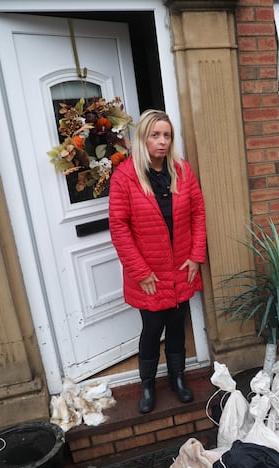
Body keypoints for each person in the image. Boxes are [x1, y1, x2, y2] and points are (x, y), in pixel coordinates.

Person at [109, 109, 206, 413]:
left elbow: (198, 214)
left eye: (167, 135)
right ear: (143, 138)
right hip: (148, 273)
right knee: (152, 330)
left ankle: (178, 380)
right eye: (155, 135)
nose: (162, 142)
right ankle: (148, 385)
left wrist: (195, 256)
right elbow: (119, 227)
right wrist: (140, 271)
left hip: (181, 269)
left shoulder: (182, 171)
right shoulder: (125, 176)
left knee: (177, 326)